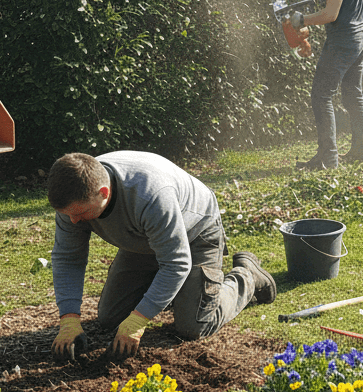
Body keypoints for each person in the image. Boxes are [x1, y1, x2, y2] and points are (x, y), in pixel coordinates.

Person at [47, 151, 276, 363]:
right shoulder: (75, 199)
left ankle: (247, 276)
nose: (74, 222)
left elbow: (176, 263)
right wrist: (69, 319)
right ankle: (180, 292)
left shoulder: (149, 194)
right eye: (68, 215)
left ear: (103, 193)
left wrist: (138, 320)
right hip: (144, 241)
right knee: (111, 319)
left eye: (80, 214)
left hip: (195, 233)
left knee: (193, 325)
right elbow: (68, 259)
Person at [290, 0, 363, 170]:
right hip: (361, 40)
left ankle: (328, 158)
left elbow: (331, 14)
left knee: (321, 95)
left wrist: (302, 20)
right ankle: (359, 152)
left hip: (343, 42)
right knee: (352, 95)